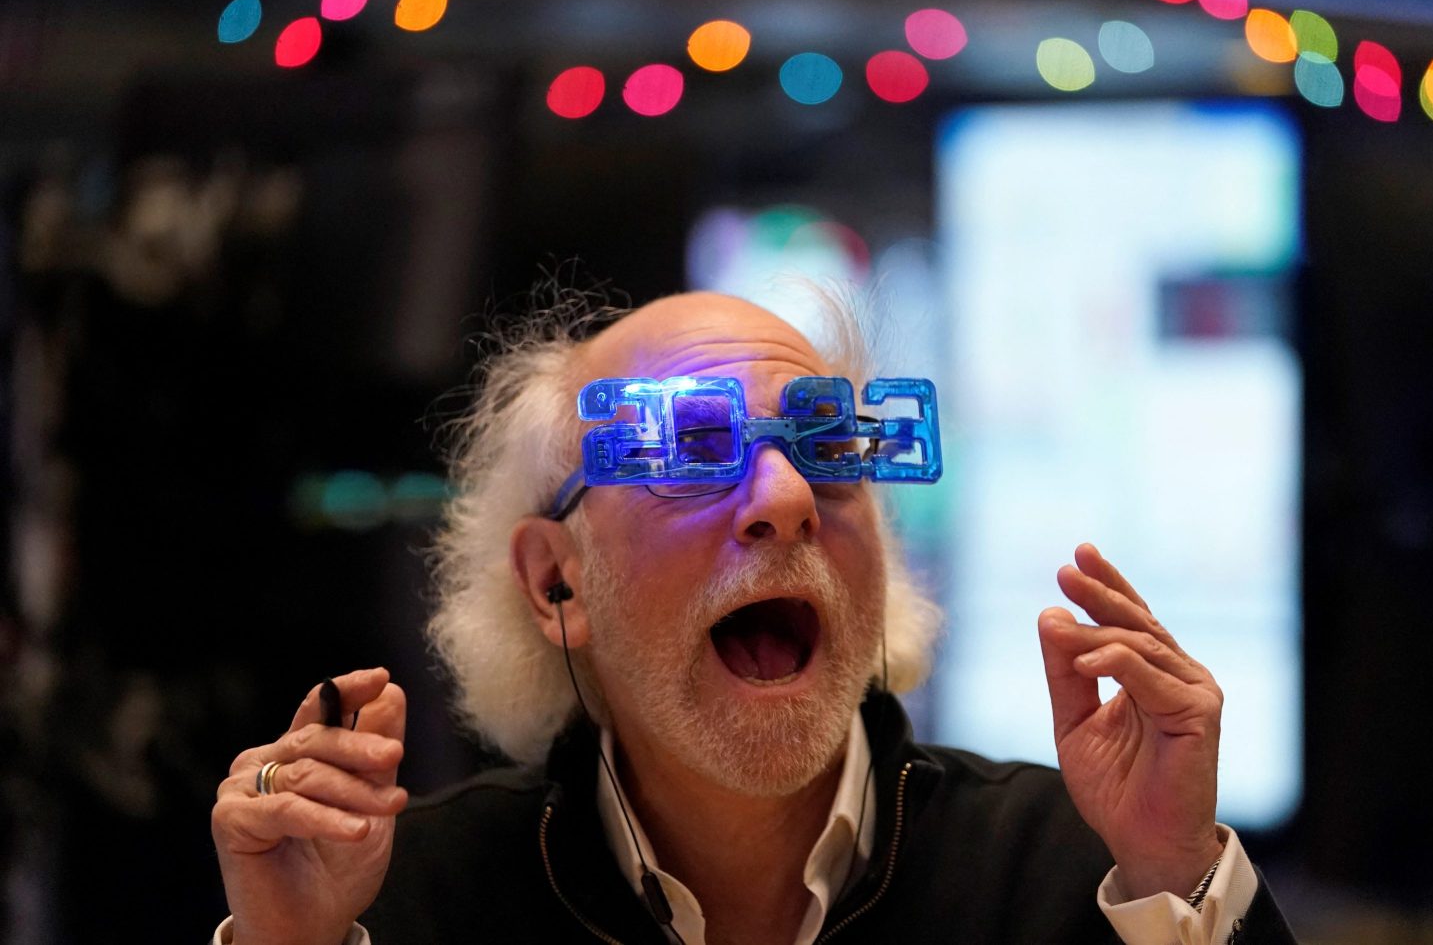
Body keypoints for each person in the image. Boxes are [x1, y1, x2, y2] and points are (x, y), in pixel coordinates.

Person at [210, 290, 1297, 944]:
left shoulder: (1076, 875)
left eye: (828, 450)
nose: (783, 501)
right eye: (692, 454)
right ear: (556, 584)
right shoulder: (413, 906)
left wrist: (1178, 880)